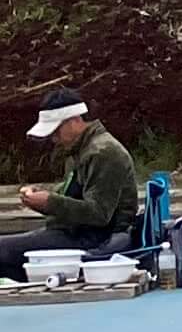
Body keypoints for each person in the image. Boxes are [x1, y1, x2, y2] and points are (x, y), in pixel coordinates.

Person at [0, 93, 142, 280]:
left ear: (74, 120)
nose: (54, 139)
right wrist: (43, 198)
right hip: (75, 232)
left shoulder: (103, 152)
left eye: (56, 131)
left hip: (95, 238)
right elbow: (73, 193)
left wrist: (49, 202)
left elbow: (99, 214)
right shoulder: (81, 150)